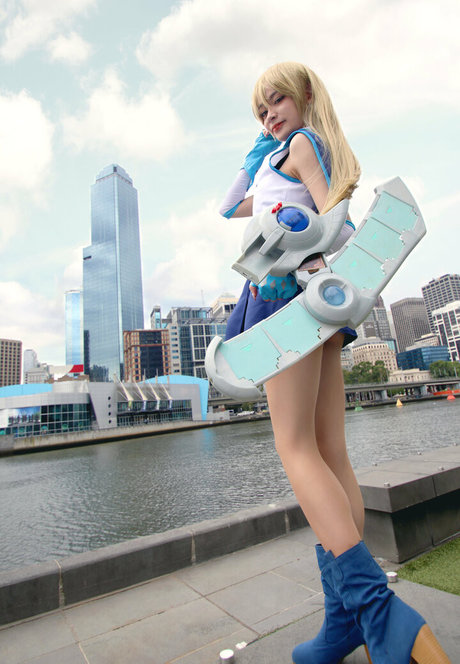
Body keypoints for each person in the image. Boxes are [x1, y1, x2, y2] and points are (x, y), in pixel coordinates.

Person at [218, 62, 450, 664]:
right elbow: (230, 207)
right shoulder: (279, 154)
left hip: (284, 297)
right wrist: (253, 158)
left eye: (277, 101)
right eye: (261, 109)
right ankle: (344, 619)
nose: (269, 115)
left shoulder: (300, 145)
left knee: (296, 447)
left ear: (304, 96)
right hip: (307, 297)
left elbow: (333, 218)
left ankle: (380, 614)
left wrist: (305, 243)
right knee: (329, 451)